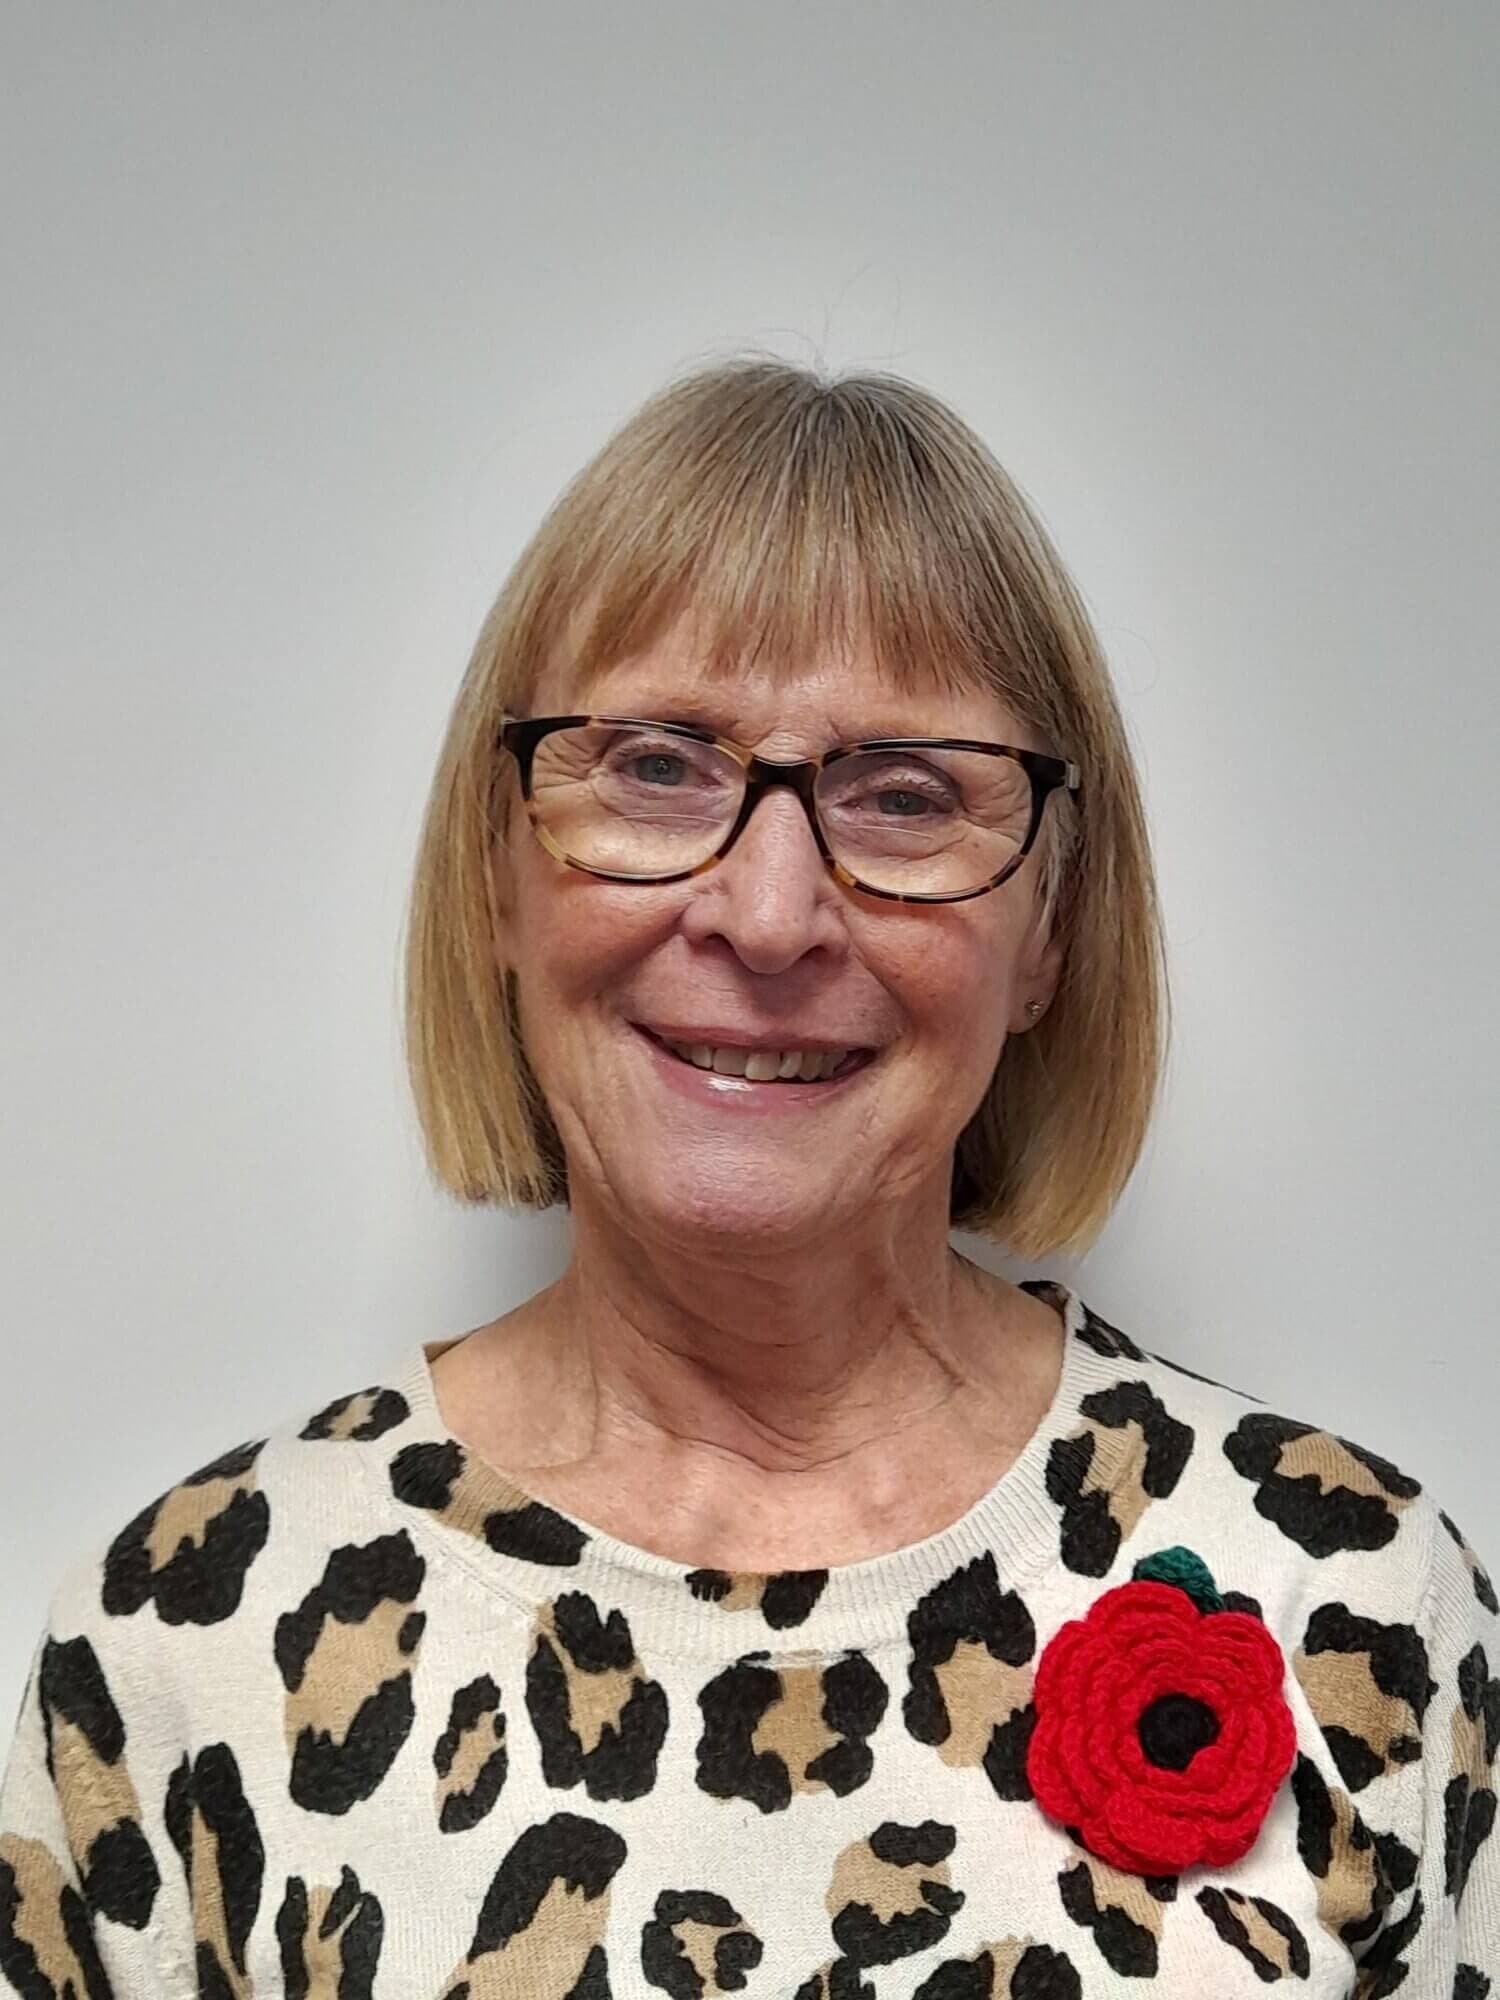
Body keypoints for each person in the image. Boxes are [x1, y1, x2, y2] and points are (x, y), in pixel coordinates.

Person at [1, 360, 1494, 2000]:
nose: (769, 914)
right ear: (499, 873)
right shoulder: (187, 1643)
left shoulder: (1349, 1592)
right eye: (655, 767)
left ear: (1053, 926)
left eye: (906, 795)